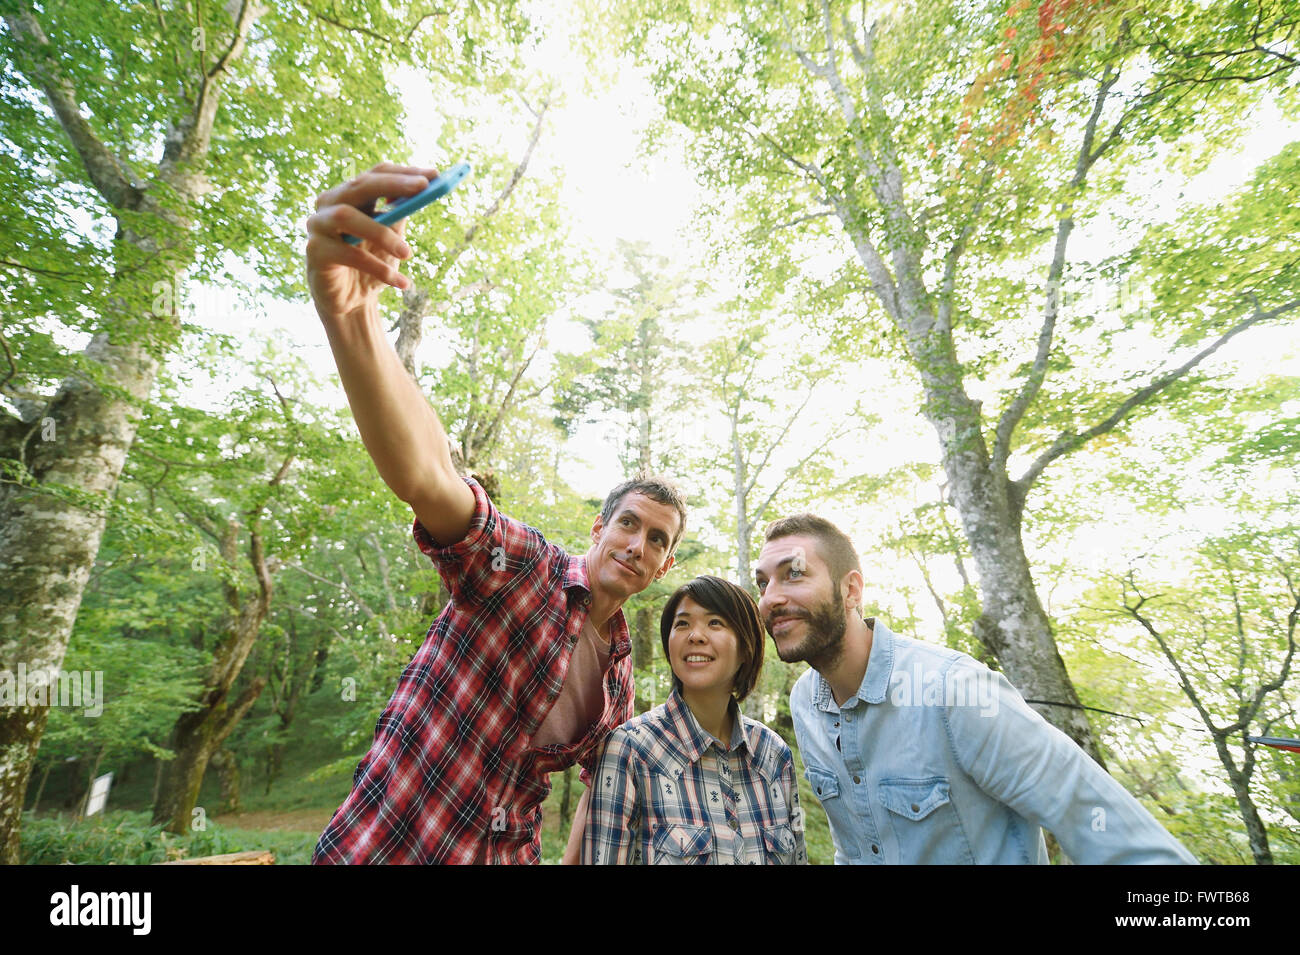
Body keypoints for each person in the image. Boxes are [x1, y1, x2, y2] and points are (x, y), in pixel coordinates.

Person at [305, 163, 686, 863]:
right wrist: (350, 314)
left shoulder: (621, 671)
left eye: (657, 539)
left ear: (663, 565)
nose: (638, 543)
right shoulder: (524, 569)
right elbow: (430, 476)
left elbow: (611, 785)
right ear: (600, 530)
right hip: (388, 846)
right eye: (628, 523)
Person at [753, 514, 1198, 865]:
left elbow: (1099, 822)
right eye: (763, 583)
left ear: (851, 590)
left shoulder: (954, 690)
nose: (770, 597)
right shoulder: (805, 704)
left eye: (793, 575)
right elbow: (854, 848)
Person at [582, 576, 808, 864]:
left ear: (745, 648)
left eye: (715, 623)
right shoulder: (630, 750)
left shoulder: (774, 754)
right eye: (682, 624)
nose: (695, 636)